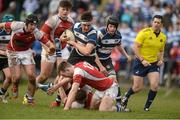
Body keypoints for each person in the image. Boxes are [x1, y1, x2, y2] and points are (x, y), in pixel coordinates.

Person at [49, 11, 104, 107]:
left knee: (73, 77)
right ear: (80, 22)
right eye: (84, 25)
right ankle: (58, 100)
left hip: (88, 59)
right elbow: (63, 36)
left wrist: (74, 43)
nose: (86, 27)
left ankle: (85, 96)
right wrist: (64, 38)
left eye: (88, 25)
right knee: (61, 76)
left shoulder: (93, 34)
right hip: (75, 55)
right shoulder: (75, 26)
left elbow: (87, 51)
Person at [0, 14, 55, 105]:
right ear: (26, 24)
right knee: (16, 78)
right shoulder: (16, 25)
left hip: (26, 52)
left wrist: (52, 49)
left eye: (35, 25)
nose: (33, 27)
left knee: (32, 77)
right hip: (12, 52)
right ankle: (15, 85)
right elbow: (2, 25)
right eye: (31, 25)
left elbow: (49, 43)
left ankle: (29, 98)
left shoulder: (36, 32)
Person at [121, 15, 166, 111]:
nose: (156, 24)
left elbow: (161, 50)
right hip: (140, 63)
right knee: (137, 87)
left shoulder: (163, 37)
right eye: (155, 22)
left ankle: (146, 107)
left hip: (153, 64)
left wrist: (161, 60)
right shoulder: (144, 33)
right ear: (152, 22)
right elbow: (135, 47)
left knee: (154, 85)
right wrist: (142, 60)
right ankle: (126, 96)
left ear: (161, 24)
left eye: (158, 23)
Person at [48, 61, 129, 112]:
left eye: (63, 75)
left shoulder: (78, 72)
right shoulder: (78, 65)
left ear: (67, 70)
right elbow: (70, 78)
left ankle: (119, 108)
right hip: (100, 89)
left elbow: (74, 91)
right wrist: (57, 85)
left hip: (110, 86)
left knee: (103, 110)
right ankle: (106, 102)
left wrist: (66, 108)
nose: (65, 77)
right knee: (92, 108)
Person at [35, 0, 74, 107]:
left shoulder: (71, 21)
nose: (65, 12)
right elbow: (40, 36)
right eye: (63, 9)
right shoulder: (52, 20)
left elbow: (70, 35)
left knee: (64, 75)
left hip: (63, 49)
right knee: (44, 76)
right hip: (50, 48)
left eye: (67, 10)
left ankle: (58, 101)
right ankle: (29, 96)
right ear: (59, 9)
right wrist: (47, 48)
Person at [96, 15, 131, 105]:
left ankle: (119, 104)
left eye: (114, 27)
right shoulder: (100, 34)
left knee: (114, 80)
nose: (112, 28)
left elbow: (119, 46)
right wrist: (99, 66)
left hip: (107, 60)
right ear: (107, 26)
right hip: (95, 60)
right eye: (110, 26)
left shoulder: (118, 35)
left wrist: (127, 56)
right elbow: (93, 50)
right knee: (90, 81)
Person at [0, 14, 15, 102]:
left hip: (6, 60)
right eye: (8, 23)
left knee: (9, 77)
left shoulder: (15, 33)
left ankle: (2, 93)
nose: (10, 25)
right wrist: (3, 52)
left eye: (12, 23)